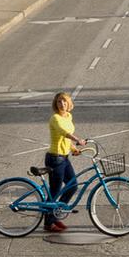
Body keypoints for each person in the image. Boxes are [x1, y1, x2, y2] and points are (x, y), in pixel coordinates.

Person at [44, 91, 85, 232]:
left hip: (64, 157)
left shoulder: (68, 116)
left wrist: (73, 148)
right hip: (55, 158)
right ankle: (49, 223)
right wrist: (77, 140)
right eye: (59, 102)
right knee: (55, 191)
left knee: (72, 186)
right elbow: (63, 132)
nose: (61, 104)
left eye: (64, 101)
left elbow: (65, 139)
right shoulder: (55, 118)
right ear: (55, 104)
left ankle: (54, 216)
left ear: (69, 103)